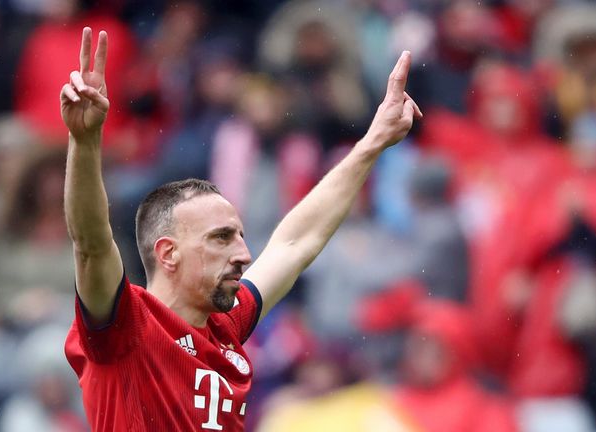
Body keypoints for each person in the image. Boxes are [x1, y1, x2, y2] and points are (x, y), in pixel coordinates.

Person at [61, 27, 421, 431]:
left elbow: (296, 241)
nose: (244, 255)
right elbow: (91, 242)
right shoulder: (126, 325)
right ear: (168, 253)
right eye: (220, 238)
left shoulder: (226, 323)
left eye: (240, 237)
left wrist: (373, 142)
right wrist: (86, 139)